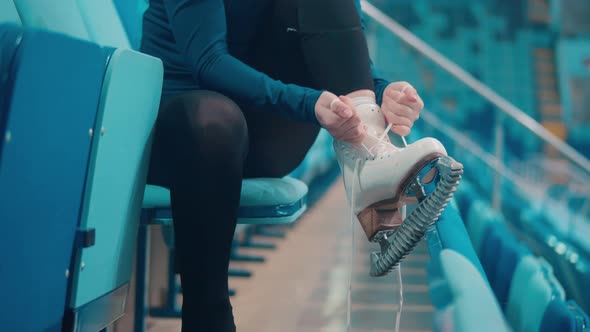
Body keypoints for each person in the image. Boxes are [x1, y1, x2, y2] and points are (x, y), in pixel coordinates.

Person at [140, 0, 425, 330]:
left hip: (258, 135)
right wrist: (308, 104)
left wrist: (379, 92)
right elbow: (208, 60)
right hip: (185, 133)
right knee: (213, 119)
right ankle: (208, 316)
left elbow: (328, 41)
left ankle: (370, 166)